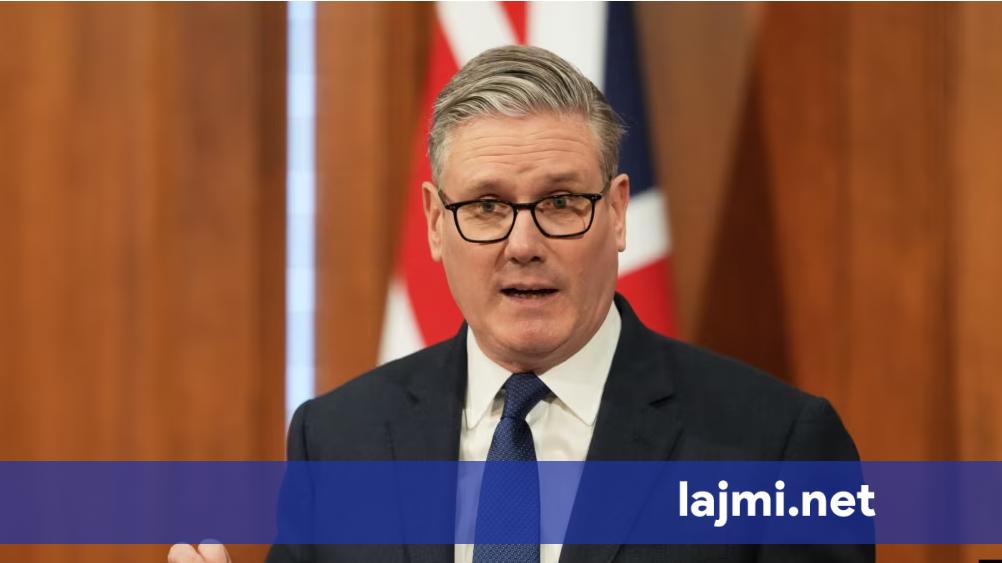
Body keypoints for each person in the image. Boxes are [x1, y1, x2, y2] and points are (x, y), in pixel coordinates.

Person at [169, 45, 873, 563]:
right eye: (486, 206)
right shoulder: (338, 441)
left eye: (561, 202)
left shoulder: (777, 445)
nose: (524, 244)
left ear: (617, 213)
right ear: (435, 223)